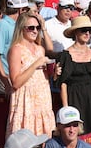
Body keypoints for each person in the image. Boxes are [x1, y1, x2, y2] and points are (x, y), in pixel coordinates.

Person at [7, 10, 55, 138]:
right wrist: (35, 64)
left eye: (37, 27)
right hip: (25, 101)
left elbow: (51, 50)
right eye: (31, 28)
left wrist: (44, 28)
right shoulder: (16, 49)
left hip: (42, 98)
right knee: (25, 142)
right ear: (22, 29)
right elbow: (15, 82)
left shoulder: (40, 49)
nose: (35, 31)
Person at [55, 16, 91, 139]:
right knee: (77, 133)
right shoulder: (65, 55)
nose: (87, 33)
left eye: (89, 31)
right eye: (83, 30)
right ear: (75, 32)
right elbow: (63, 84)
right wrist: (66, 107)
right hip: (74, 97)